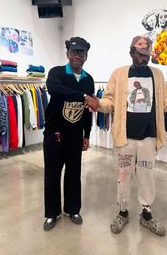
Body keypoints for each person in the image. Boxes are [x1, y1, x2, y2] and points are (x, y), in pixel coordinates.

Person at [85, 35, 167, 236]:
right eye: (140, 54)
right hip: (125, 137)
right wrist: (99, 104)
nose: (144, 58)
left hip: (148, 137)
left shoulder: (157, 75)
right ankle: (123, 212)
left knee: (147, 176)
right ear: (131, 53)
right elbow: (109, 101)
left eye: (147, 54)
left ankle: (146, 215)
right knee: (123, 175)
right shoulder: (119, 74)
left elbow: (165, 103)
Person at [43, 37, 94, 231]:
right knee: (52, 174)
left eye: (81, 53)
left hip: (75, 135)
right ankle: (51, 213)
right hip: (55, 134)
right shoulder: (56, 73)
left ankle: (72, 209)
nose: (77, 56)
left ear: (86, 56)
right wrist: (82, 96)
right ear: (67, 54)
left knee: (74, 174)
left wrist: (87, 135)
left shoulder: (88, 79)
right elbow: (55, 89)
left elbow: (88, 110)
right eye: (74, 52)